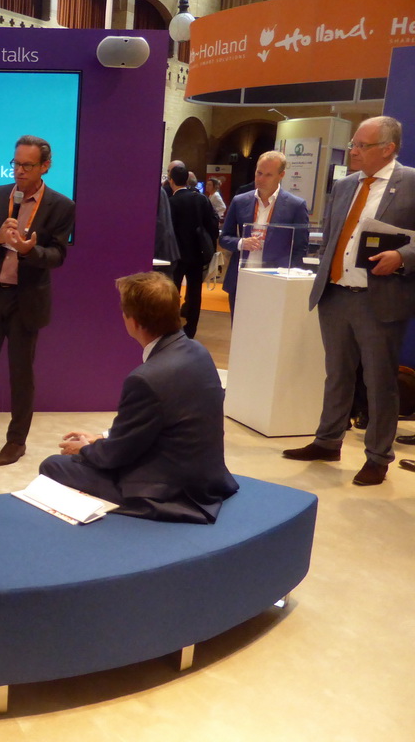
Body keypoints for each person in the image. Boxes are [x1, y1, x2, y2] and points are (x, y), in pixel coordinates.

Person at [39, 272, 239, 523]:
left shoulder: (145, 379)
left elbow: (115, 456)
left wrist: (86, 449)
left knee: (53, 465)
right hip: (206, 477)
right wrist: (103, 437)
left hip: (172, 492)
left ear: (132, 322)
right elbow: (160, 423)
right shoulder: (197, 351)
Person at [284, 116, 415, 486]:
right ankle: (328, 441)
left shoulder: (411, 184)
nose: (353, 150)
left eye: (361, 145)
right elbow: (331, 236)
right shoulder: (344, 186)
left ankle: (377, 457)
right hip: (336, 294)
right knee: (337, 374)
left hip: (380, 300)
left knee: (379, 381)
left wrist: (403, 258)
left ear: (387, 149)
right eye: (355, 144)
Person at [0, 135, 75, 466]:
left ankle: (16, 441)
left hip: (27, 299)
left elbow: (57, 255)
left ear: (45, 166)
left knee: (20, 374)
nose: (19, 172)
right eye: (16, 164)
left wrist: (31, 251)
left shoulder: (62, 205)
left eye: (27, 166)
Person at [218, 151, 310, 318]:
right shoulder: (240, 201)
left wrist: (289, 279)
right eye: (259, 173)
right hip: (242, 280)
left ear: (281, 175)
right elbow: (224, 238)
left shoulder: (295, 206)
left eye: (268, 175)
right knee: (240, 333)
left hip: (275, 282)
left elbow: (299, 249)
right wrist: (241, 243)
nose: (260, 179)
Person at [167, 163, 219, 338]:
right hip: (198, 254)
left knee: (173, 291)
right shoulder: (201, 199)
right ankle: (191, 329)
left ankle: (171, 327)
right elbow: (212, 223)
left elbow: (168, 230)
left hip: (177, 254)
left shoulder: (171, 202)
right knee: (195, 292)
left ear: (171, 180)